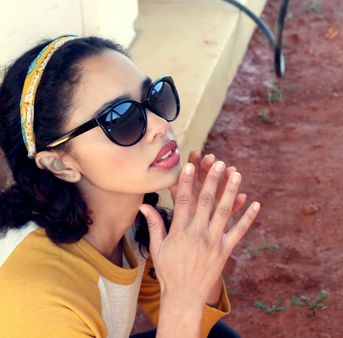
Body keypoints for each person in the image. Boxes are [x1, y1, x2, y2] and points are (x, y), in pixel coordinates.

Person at [0, 35, 260, 337]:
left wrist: (195, 250)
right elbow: (182, 312)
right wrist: (184, 296)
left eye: (154, 97)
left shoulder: (126, 219)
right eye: (121, 118)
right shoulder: (36, 302)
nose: (161, 125)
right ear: (60, 164)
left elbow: (192, 324)